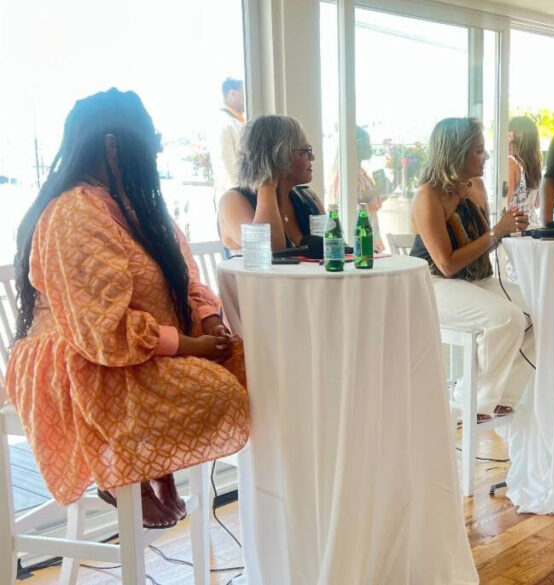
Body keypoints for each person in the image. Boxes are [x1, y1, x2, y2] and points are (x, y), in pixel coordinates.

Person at [5, 89, 250, 528]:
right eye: (151, 138)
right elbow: (104, 332)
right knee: (221, 392)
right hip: (81, 358)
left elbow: (187, 278)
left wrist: (211, 321)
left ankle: (157, 465)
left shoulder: (143, 207)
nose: (156, 148)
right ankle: (127, 470)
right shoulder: (72, 213)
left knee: (253, 366)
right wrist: (193, 346)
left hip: (139, 347)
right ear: (114, 145)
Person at [409, 118, 532, 419]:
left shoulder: (475, 187)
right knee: (507, 318)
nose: (486, 156)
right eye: (479, 150)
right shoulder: (428, 196)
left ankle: (504, 392)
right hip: (434, 286)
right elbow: (447, 264)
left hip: (475, 280)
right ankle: (470, 396)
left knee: (540, 312)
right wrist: (496, 232)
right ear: (456, 152)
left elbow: (481, 243)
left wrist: (507, 228)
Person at [218, 115, 325, 253]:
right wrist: (267, 180)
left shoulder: (309, 198)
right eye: (305, 151)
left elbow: (337, 249)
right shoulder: (233, 200)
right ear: (280, 156)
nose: (312, 157)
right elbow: (269, 250)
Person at [209, 77, 246, 200]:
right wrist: (242, 198)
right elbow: (227, 168)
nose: (247, 96)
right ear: (232, 94)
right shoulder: (222, 123)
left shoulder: (238, 122)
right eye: (244, 91)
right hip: (233, 199)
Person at [356, 126, 388, 251]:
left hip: (370, 228)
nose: (369, 147)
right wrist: (378, 188)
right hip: (361, 231)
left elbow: (370, 200)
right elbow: (356, 199)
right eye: (366, 142)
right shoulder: (347, 173)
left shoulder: (361, 172)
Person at [507, 116, 542, 223]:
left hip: (517, 225)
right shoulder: (536, 165)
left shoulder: (511, 163)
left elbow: (506, 202)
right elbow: (537, 204)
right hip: (533, 224)